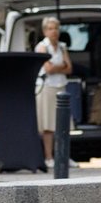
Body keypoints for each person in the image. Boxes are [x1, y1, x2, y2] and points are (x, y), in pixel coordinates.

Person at [34, 17, 73, 166]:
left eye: (56, 28)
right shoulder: (41, 47)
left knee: (62, 124)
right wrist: (61, 66)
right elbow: (48, 69)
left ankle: (63, 156)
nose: (53, 31)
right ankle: (49, 157)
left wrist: (59, 67)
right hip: (47, 87)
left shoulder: (62, 47)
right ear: (45, 31)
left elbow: (69, 68)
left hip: (60, 86)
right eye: (50, 28)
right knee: (48, 125)